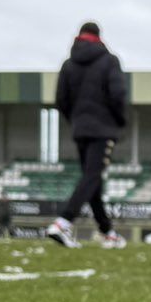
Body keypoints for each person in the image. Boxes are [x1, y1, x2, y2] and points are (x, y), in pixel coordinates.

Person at [44, 22, 129, 250]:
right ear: (99, 37)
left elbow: (61, 99)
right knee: (92, 177)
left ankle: (108, 232)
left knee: (92, 180)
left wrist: (75, 120)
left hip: (80, 128)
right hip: (103, 129)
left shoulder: (68, 64)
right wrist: (119, 120)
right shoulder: (109, 61)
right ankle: (63, 222)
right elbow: (118, 93)